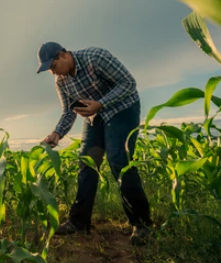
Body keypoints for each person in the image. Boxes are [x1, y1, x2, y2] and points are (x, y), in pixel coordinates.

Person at [36, 41, 153, 246]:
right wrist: (56, 133)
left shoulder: (95, 58)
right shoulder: (62, 82)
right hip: (94, 116)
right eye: (49, 70)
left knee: (119, 158)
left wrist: (101, 103)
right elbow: (68, 112)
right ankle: (79, 222)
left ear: (63, 55)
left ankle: (141, 223)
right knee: (87, 162)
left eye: (53, 67)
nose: (53, 73)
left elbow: (128, 83)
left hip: (122, 109)